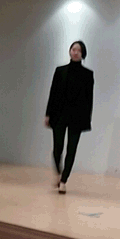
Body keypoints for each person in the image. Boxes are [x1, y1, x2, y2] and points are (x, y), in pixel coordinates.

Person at [45, 41, 94, 194]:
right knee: (57, 148)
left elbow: (89, 99)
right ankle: (58, 173)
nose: (75, 52)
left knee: (71, 149)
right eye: (73, 49)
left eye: (79, 50)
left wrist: (87, 119)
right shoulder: (60, 71)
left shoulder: (88, 74)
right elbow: (53, 93)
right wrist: (48, 113)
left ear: (83, 53)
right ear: (70, 51)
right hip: (59, 115)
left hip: (77, 117)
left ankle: (63, 181)